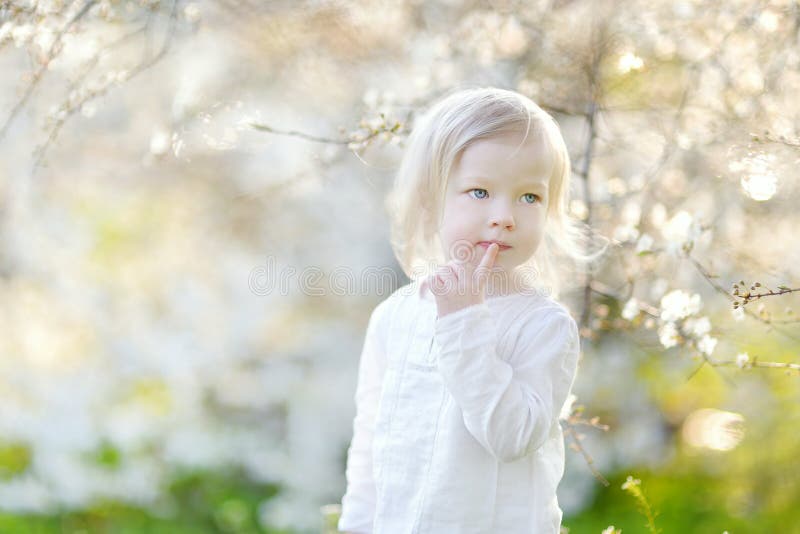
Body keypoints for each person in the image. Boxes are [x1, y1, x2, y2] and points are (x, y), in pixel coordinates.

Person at [337, 86, 605, 533]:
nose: (504, 215)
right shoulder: (395, 317)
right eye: (479, 192)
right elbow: (370, 445)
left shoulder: (543, 326)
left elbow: (512, 435)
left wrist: (464, 320)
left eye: (529, 197)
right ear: (431, 199)